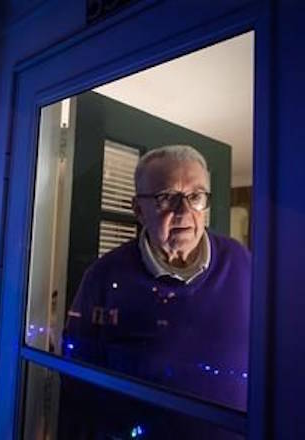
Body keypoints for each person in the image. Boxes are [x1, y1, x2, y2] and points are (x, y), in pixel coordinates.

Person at [62, 145, 251, 422]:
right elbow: (77, 380)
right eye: (166, 197)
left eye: (196, 196)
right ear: (138, 210)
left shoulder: (242, 262)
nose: (184, 211)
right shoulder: (104, 277)